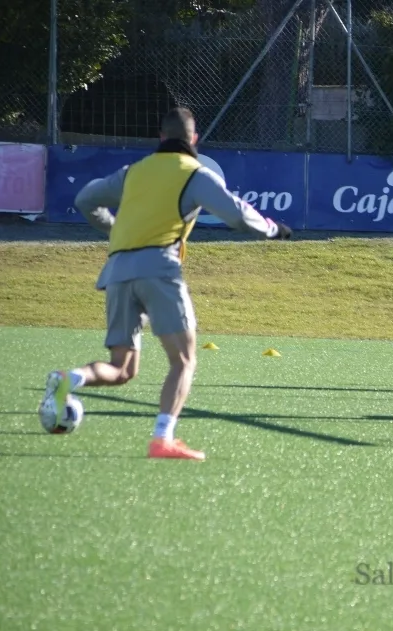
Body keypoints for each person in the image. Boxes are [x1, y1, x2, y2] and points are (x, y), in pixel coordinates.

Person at [38, 107, 292, 459]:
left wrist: (116, 229)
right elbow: (236, 214)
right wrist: (273, 230)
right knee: (184, 360)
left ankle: (70, 378)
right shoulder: (195, 173)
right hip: (158, 269)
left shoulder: (134, 171)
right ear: (194, 139)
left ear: (160, 137)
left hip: (116, 272)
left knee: (122, 369)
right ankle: (163, 439)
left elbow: (85, 199)